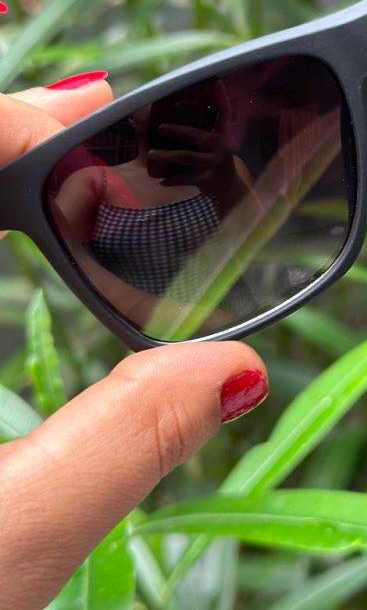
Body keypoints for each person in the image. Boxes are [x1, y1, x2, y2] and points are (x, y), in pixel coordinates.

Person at [0, 72, 269, 610]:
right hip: (146, 337)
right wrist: (159, 316)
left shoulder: (224, 170)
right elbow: (71, 254)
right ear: (133, 122)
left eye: (193, 115)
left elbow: (259, 239)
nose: (171, 125)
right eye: (159, 114)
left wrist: (222, 179)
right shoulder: (97, 183)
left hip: (216, 316)